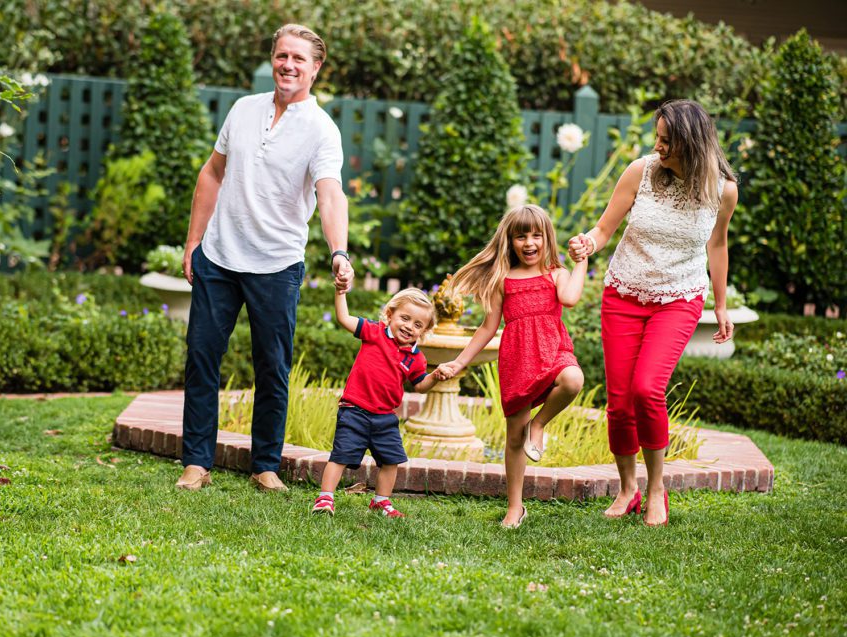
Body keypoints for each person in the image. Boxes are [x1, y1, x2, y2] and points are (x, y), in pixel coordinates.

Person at [175, 24, 353, 493]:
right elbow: (213, 173)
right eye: (281, 56)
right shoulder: (242, 109)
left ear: (316, 68)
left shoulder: (322, 130)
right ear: (272, 59)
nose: (287, 65)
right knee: (202, 358)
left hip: (276, 266)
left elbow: (330, 194)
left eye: (298, 58)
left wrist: (339, 251)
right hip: (219, 256)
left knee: (271, 366)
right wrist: (194, 241)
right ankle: (196, 462)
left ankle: (265, 465)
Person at [568, 99, 738, 526]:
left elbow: (717, 245)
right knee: (621, 401)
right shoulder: (640, 171)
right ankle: (628, 489)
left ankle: (657, 487)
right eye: (657, 137)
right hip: (624, 294)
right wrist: (587, 243)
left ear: (692, 143)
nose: (657, 146)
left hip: (679, 298)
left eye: (667, 141)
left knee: (647, 389)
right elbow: (604, 228)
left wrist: (720, 305)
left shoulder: (723, 189)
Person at [435, 205, 588, 528]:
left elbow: (571, 298)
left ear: (547, 238)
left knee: (573, 379)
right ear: (510, 241)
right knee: (514, 438)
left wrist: (581, 262)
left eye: (536, 235)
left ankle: (540, 424)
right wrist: (460, 362)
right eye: (521, 236)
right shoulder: (503, 280)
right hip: (519, 360)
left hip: (553, 349)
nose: (529, 243)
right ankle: (515, 507)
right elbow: (487, 328)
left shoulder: (557, 274)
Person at [311, 288, 440, 518]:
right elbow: (343, 318)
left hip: (385, 418)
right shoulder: (374, 332)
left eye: (418, 325)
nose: (410, 326)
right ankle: (325, 497)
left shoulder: (416, 358)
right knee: (340, 456)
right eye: (405, 318)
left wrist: (435, 377)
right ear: (390, 314)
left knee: (391, 461)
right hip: (354, 410)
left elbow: (420, 385)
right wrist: (341, 292)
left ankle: (381, 502)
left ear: (424, 331)